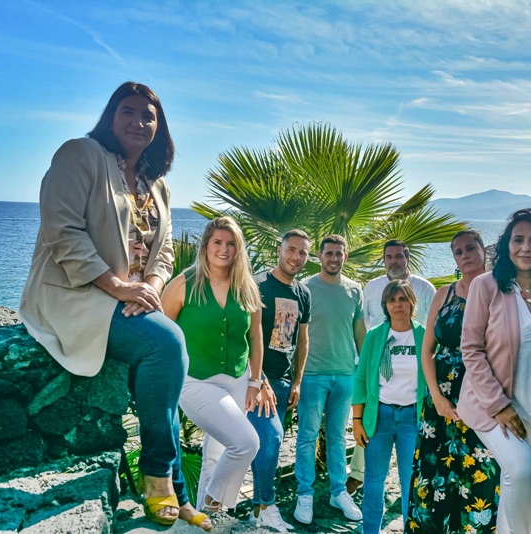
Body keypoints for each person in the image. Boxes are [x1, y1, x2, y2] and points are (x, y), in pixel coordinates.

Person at [19, 82, 211, 530]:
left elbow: (163, 253)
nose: (138, 122)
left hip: (128, 298)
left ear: (159, 127)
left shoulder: (156, 184)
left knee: (166, 363)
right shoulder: (81, 154)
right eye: (128, 111)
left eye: (148, 116)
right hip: (75, 293)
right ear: (110, 116)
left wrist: (150, 288)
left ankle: (175, 490)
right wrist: (117, 286)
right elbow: (62, 231)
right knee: (166, 345)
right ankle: (159, 477)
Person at [458, 209, 531, 534]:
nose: (526, 247)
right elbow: (471, 348)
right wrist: (499, 405)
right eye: (518, 240)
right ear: (507, 245)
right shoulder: (486, 286)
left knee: (519, 480)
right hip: (496, 406)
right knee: (524, 471)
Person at [162, 216, 263, 516]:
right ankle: (213, 500)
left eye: (231, 243)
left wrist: (255, 381)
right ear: (206, 245)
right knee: (246, 443)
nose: (224, 249)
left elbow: (255, 336)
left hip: (238, 379)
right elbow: (162, 335)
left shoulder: (247, 286)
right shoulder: (184, 284)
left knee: (216, 455)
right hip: (195, 381)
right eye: (217, 242)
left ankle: (207, 520)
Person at [406, 230, 501, 534]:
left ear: (484, 251)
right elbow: (427, 350)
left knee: (478, 471)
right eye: (458, 252)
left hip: (483, 394)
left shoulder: (500, 291)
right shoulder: (443, 294)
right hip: (441, 397)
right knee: (434, 470)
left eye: (470, 248)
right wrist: (436, 396)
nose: (465, 255)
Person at [349, 240, 436, 495]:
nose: (394, 261)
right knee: (373, 462)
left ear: (407, 258)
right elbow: (363, 324)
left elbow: (433, 327)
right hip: (378, 378)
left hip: (413, 385)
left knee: (411, 473)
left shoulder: (425, 289)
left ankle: (409, 503)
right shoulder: (372, 288)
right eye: (389, 257)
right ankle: (356, 475)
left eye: (398, 256)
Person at [294, 235, 365, 525]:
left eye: (339, 254)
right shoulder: (305, 288)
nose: (334, 258)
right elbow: (296, 334)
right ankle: (304, 493)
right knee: (307, 436)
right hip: (312, 375)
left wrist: (364, 375)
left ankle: (338, 491)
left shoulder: (354, 290)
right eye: (329, 253)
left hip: (345, 375)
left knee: (337, 437)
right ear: (319, 256)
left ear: (345, 257)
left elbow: (359, 333)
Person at [248, 229, 312, 532]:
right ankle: (267, 505)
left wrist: (297, 381)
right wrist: (258, 379)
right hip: (259, 381)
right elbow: (248, 336)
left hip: (285, 383)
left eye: (303, 253)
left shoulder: (303, 293)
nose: (296, 257)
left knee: (267, 447)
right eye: (291, 250)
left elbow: (303, 340)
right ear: (279, 250)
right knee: (271, 438)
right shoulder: (259, 285)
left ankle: (256, 511)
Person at [353, 280, 426, 534]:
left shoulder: (424, 336)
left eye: (403, 299)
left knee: (410, 482)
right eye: (392, 300)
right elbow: (361, 379)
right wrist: (357, 421)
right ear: (385, 304)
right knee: (374, 480)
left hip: (412, 418)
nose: (398, 305)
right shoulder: (375, 335)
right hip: (379, 416)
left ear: (412, 303)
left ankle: (410, 529)